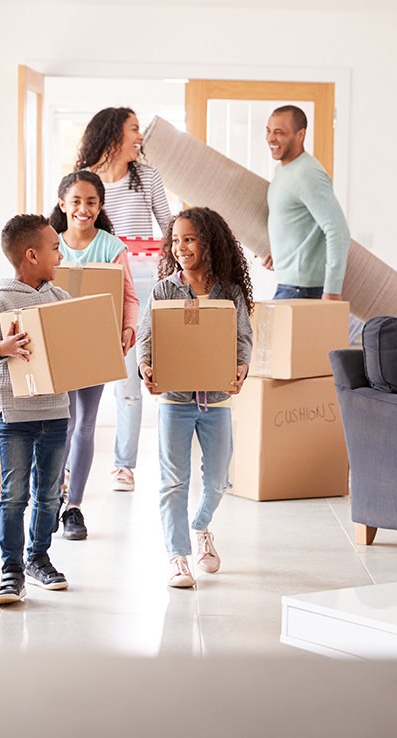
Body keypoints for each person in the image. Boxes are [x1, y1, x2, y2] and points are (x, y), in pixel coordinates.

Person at [137, 207, 253, 588]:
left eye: (189, 239)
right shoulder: (163, 290)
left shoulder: (229, 292)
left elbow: (242, 340)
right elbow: (147, 338)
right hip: (174, 399)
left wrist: (241, 367)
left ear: (209, 242)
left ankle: (201, 526)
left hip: (216, 399)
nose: (180, 248)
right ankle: (177, 556)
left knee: (219, 480)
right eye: (175, 241)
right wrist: (146, 367)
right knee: (173, 481)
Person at [0, 214, 70, 606]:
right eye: (55, 248)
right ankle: (11, 569)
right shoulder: (0, 301)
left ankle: (38, 558)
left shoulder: (60, 299)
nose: (60, 255)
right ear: (32, 255)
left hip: (57, 413)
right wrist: (2, 349)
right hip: (14, 419)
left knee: (48, 495)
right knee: (14, 495)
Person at [75, 107, 172, 493]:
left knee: (130, 377)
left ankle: (123, 465)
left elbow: (169, 229)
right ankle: (69, 463)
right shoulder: (86, 183)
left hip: (142, 286)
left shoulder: (147, 177)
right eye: (134, 129)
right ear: (113, 133)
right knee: (80, 374)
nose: (140, 136)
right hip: (96, 284)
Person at [49, 169, 140, 540]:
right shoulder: (49, 242)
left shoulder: (111, 247)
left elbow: (130, 297)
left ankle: (74, 508)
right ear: (62, 204)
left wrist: (127, 330)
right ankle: (51, 497)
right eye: (76, 201)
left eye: (91, 202)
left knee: (85, 423)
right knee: (61, 425)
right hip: (57, 345)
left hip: (96, 345)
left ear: (100, 206)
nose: (83, 209)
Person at [263, 104, 351, 301]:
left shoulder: (307, 173)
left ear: (300, 134)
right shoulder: (283, 170)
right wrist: (279, 255)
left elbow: (338, 231)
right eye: (268, 131)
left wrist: (332, 290)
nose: (270, 138)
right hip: (290, 285)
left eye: (279, 132)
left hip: (303, 290)